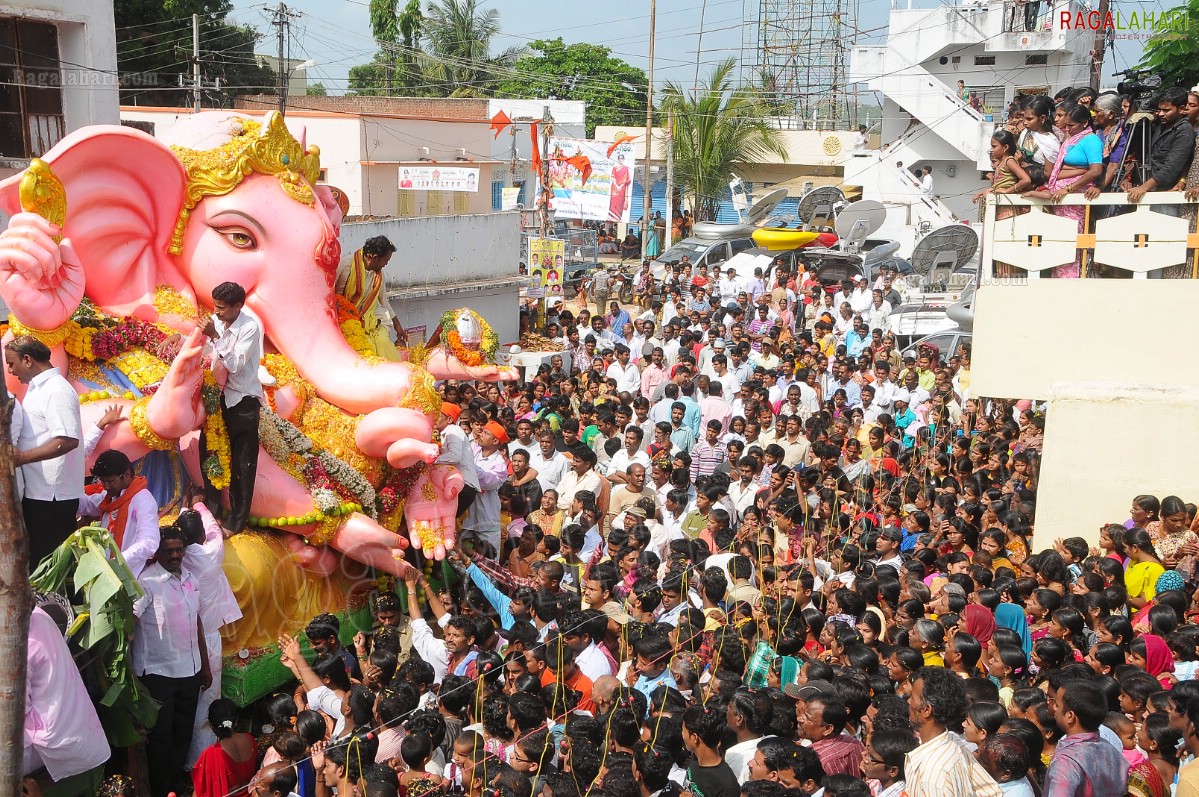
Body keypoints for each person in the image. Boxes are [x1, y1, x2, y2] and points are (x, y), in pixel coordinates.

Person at [133, 526, 212, 797]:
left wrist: (205, 664)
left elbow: (196, 622)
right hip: (158, 673)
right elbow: (131, 621)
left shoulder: (190, 578)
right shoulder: (146, 582)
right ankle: (161, 789)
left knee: (182, 733)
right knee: (161, 738)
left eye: (179, 549)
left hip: (190, 671)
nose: (176, 555)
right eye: (169, 550)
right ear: (157, 552)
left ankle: (176, 783)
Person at [6, 335, 84, 568]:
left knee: (48, 566)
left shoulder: (56, 390)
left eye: (12, 363)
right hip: (39, 492)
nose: (10, 370)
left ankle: (54, 606)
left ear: (27, 360)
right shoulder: (37, 388)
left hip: (52, 496)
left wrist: (21, 458)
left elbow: (68, 440)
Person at [23, 604, 110, 795]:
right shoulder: (39, 614)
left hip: (52, 750)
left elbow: (13, 713)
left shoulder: (19, 644)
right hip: (79, 739)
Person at [199, 281, 263, 534]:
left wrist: (215, 336)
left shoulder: (249, 327)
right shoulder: (217, 321)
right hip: (217, 399)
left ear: (238, 306)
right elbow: (205, 348)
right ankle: (211, 510)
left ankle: (236, 522)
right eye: (215, 306)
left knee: (242, 465)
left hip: (242, 401)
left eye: (222, 308)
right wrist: (181, 338)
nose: (217, 312)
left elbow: (234, 364)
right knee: (209, 453)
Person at [905, 667, 1002, 797]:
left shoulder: (932, 776)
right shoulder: (953, 742)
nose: (908, 701)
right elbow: (991, 791)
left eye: (912, 697)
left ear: (926, 710)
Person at [77, 449, 160, 578]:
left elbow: (149, 542)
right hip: (105, 573)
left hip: (129, 576)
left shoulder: (143, 500)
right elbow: (85, 504)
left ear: (126, 475)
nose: (106, 487)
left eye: (110, 481)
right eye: (103, 482)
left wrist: (117, 562)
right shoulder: (110, 497)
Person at [1043, 682, 1128, 797]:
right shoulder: (1110, 749)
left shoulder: (1065, 762)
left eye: (1057, 705)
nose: (1054, 708)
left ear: (1070, 716)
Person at [337, 235, 405, 359]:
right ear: (374, 257)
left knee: (383, 343)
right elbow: (330, 293)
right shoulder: (345, 266)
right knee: (366, 351)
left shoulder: (378, 275)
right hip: (346, 322)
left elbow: (383, 301)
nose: (386, 264)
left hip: (373, 320)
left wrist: (398, 326)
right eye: (385, 260)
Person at [191, 698, 257, 797]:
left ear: (211, 725)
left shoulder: (211, 754)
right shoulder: (250, 740)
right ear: (236, 721)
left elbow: (200, 791)